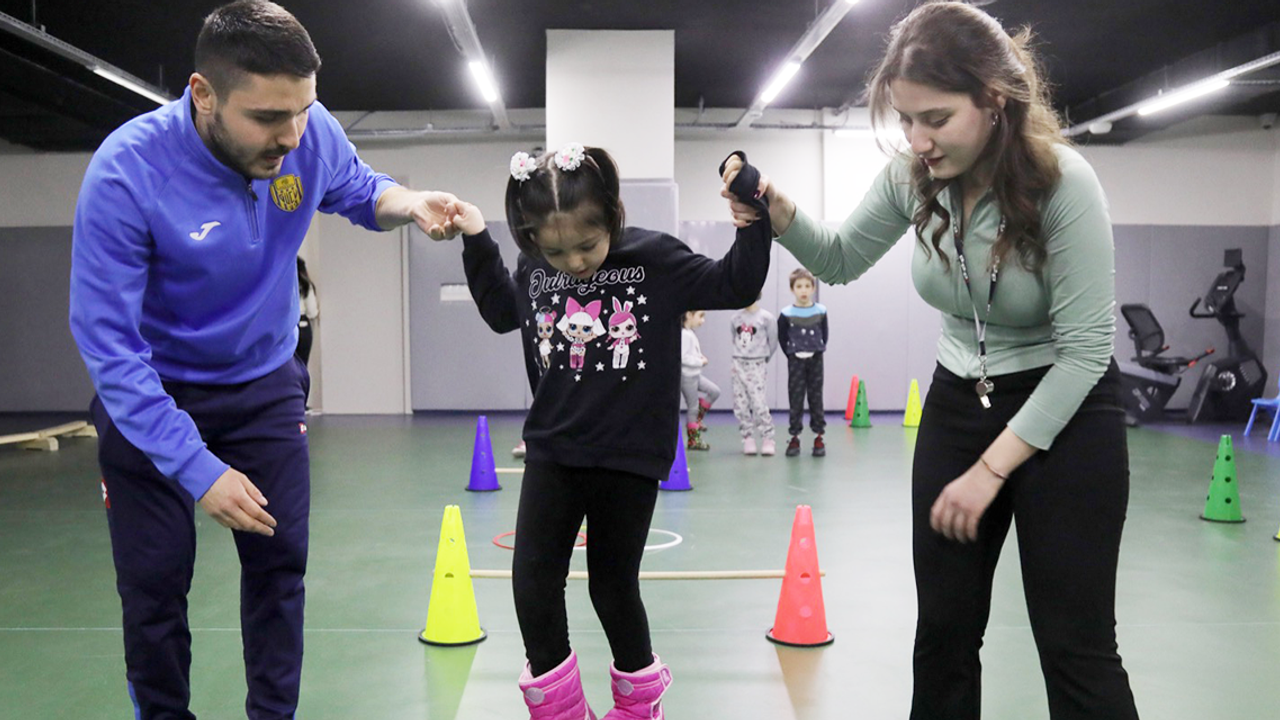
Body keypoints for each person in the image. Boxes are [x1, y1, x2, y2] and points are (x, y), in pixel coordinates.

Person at [722, 2, 1140, 718]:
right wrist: (772, 206)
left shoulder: (1065, 186)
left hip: (1066, 412)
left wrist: (988, 471)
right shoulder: (912, 178)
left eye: (936, 119)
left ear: (994, 101)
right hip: (960, 403)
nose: (917, 139)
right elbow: (842, 257)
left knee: (1075, 648)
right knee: (942, 639)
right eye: (905, 119)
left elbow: (1084, 353)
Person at [67, 3, 466, 718]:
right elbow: (110, 349)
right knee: (154, 585)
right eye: (268, 118)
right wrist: (198, 468)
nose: (291, 137)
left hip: (262, 387)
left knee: (281, 567)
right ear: (203, 94)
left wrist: (408, 202)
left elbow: (354, 185)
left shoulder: (305, 134)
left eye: (304, 113)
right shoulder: (127, 174)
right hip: (152, 394)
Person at [448, 144, 771, 720]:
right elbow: (503, 312)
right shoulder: (535, 266)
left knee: (612, 586)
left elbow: (735, 284)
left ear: (613, 217)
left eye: (586, 246)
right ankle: (562, 711)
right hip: (553, 450)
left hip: (630, 456)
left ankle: (638, 708)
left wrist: (752, 220)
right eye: (554, 250)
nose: (572, 262)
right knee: (532, 584)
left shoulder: (654, 258)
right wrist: (476, 237)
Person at [777, 267, 829, 457]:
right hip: (796, 361)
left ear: (813, 288)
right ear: (792, 289)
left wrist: (817, 349)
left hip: (816, 359)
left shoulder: (821, 311)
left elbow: (825, 334)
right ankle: (794, 438)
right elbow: (782, 338)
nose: (804, 290)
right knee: (796, 398)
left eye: (807, 286)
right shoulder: (786, 314)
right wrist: (792, 354)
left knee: (816, 397)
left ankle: (818, 436)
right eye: (799, 286)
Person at [729, 297, 778, 456]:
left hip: (757, 363)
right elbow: (734, 339)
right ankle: (747, 437)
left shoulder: (766, 318)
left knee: (758, 401)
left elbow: (773, 341)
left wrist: (764, 358)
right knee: (740, 403)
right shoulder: (735, 318)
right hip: (738, 363)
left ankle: (767, 437)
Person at [680, 310, 720, 450]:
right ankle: (693, 439)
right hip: (687, 376)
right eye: (700, 316)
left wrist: (699, 357)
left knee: (714, 391)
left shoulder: (690, 333)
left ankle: (697, 419)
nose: (702, 320)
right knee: (693, 407)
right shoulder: (685, 335)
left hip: (695, 374)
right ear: (689, 315)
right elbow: (683, 357)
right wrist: (700, 361)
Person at [295, 257, 319, 365]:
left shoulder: (287, 287)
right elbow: (312, 312)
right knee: (303, 365)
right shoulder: (306, 286)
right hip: (303, 324)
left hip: (290, 327)